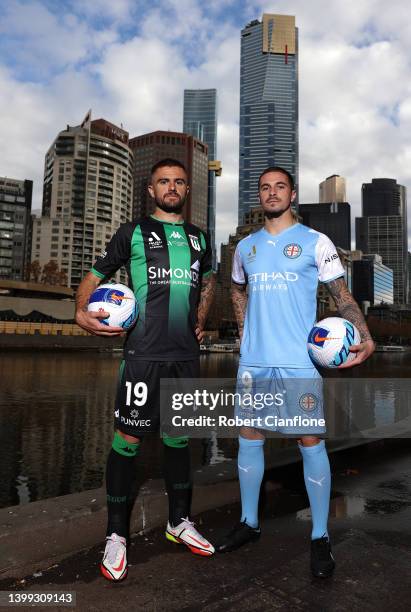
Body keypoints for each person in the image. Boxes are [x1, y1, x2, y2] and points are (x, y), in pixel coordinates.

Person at [215, 166, 375, 578]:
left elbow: (342, 295)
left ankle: (320, 537)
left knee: (309, 440)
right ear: (259, 196)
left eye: (279, 187)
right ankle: (249, 523)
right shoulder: (245, 248)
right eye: (265, 188)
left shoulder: (315, 242)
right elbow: (236, 288)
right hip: (254, 361)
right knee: (249, 436)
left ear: (292, 194)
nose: (271, 194)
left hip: (300, 362)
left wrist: (365, 334)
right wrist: (243, 330)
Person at [75, 158, 216, 581]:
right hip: (142, 355)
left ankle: (178, 522)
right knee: (127, 439)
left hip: (184, 356)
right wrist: (81, 312)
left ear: (186, 190)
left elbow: (208, 280)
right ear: (151, 190)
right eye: (163, 182)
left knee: (178, 438)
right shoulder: (132, 232)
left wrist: (202, 318)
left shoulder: (200, 238)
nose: (171, 187)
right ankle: (116, 535)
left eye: (178, 182)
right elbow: (95, 274)